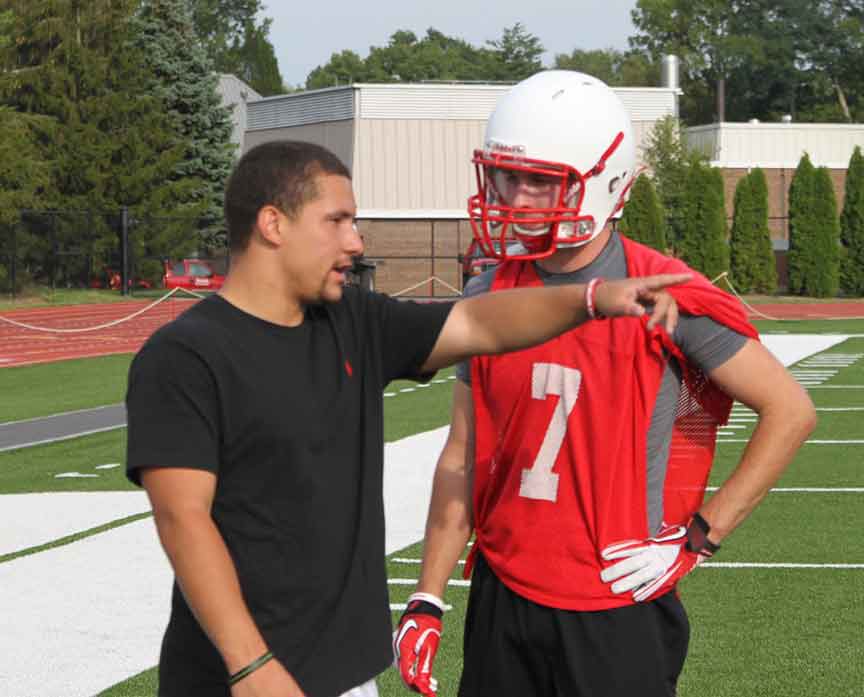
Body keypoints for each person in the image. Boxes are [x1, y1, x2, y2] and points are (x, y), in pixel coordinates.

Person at [124, 139, 690, 697]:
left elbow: (479, 325)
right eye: (338, 220)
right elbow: (183, 519)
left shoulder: (352, 320)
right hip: (240, 676)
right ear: (273, 224)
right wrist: (251, 667)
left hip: (345, 674)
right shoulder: (185, 355)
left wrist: (592, 299)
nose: (356, 240)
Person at [394, 70, 817, 697]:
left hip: (615, 599)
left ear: (608, 182)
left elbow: (790, 410)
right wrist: (428, 594)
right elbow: (462, 454)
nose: (517, 194)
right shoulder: (489, 291)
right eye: (508, 175)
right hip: (504, 590)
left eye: (540, 179)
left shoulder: (664, 292)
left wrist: (700, 536)